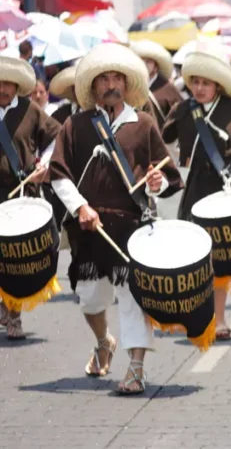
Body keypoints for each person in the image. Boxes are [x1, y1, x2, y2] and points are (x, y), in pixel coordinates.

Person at [48, 43, 182, 394]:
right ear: (93, 87)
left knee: (133, 297)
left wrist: (156, 182)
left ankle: (136, 369)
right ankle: (103, 340)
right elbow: (58, 174)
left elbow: (166, 176)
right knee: (90, 298)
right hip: (89, 228)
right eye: (103, 78)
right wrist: (80, 207)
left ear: (126, 83)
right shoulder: (75, 125)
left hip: (131, 226)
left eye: (116, 78)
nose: (110, 84)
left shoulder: (143, 123)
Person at [162, 48, 231, 341]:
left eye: (205, 83)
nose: (199, 88)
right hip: (192, 188)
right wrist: (172, 173)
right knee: (192, 256)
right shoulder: (182, 110)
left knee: (217, 258)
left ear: (218, 86)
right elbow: (164, 145)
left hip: (224, 190)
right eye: (195, 82)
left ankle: (218, 319)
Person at [0, 57, 61, 339]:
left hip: (22, 192)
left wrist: (43, 165)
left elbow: (56, 137)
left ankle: (14, 316)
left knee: (14, 258)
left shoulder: (30, 110)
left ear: (16, 86)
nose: (2, 89)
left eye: (7, 84)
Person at [132, 40, 182, 130]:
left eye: (148, 61)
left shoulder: (168, 88)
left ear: (156, 66)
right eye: (141, 60)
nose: (144, 64)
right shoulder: (132, 86)